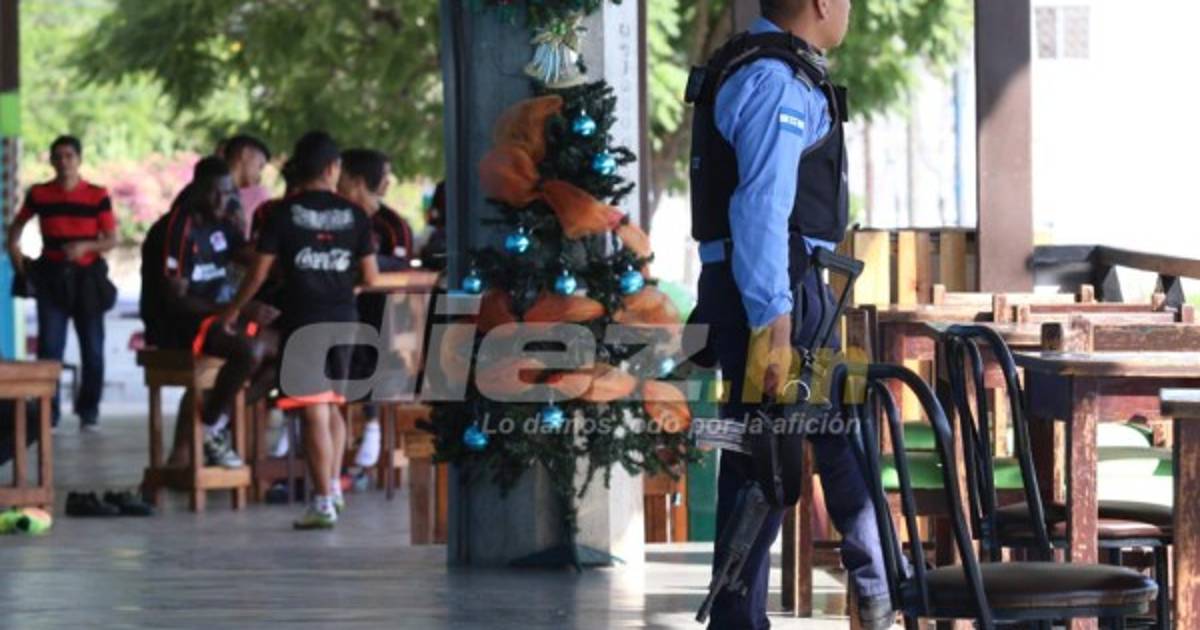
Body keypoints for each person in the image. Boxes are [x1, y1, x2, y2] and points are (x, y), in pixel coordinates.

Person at [687, 1, 895, 628]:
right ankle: (878, 594)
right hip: (783, 295)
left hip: (780, 291)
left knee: (817, 440)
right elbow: (761, 205)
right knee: (768, 459)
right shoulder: (775, 79)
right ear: (821, 3)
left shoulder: (756, 66)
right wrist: (772, 315)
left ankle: (882, 592)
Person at [220, 131, 380, 530]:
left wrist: (234, 309)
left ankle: (322, 501)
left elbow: (258, 272)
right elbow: (371, 278)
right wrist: (340, 283)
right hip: (345, 319)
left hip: (304, 318)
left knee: (313, 411)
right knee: (332, 406)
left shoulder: (282, 213)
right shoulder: (356, 215)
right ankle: (334, 490)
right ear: (332, 168)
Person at [145, 157, 276, 468]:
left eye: (228, 193)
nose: (221, 200)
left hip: (217, 319)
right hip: (178, 326)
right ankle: (210, 426)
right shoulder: (177, 228)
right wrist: (239, 309)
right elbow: (175, 301)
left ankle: (217, 420)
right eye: (214, 192)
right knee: (249, 350)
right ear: (196, 189)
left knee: (281, 349)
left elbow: (252, 259)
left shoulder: (224, 224)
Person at [6, 136, 117, 431]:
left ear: (79, 160)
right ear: (52, 161)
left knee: (93, 350)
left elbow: (111, 239)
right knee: (49, 350)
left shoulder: (97, 194)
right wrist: (19, 263)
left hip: (87, 280)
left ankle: (89, 412)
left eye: (69, 156)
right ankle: (49, 414)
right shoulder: (40, 194)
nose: (64, 162)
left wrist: (85, 247)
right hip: (51, 278)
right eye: (58, 156)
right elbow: (15, 230)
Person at [222, 134, 272, 239]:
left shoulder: (202, 188)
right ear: (245, 154)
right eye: (260, 166)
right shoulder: (258, 195)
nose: (259, 176)